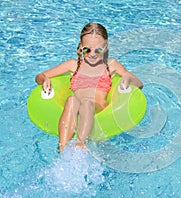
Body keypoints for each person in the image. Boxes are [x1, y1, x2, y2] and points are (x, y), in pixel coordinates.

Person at [35, 22, 143, 152]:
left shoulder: (111, 65)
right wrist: (45, 79)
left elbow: (139, 84)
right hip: (76, 110)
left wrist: (127, 78)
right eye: (87, 49)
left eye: (98, 50)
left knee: (87, 102)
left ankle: (80, 143)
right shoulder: (73, 65)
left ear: (106, 47)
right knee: (71, 100)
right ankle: (62, 148)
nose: (92, 54)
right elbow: (39, 77)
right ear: (81, 47)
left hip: (97, 110)